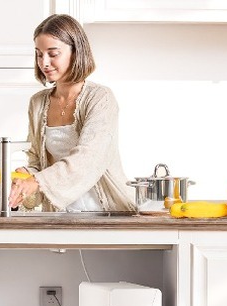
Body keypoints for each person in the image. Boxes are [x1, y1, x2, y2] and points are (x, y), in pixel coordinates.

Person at [8, 14, 136, 212]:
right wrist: (26, 176)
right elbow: (37, 161)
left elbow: (90, 156)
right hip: (60, 215)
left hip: (105, 213)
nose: (44, 62)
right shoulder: (38, 102)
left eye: (53, 53)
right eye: (39, 54)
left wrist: (37, 181)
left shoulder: (101, 98)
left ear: (76, 52)